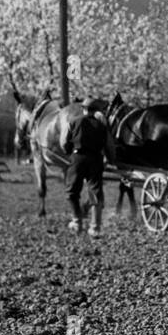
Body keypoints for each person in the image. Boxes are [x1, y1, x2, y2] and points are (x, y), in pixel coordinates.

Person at [65, 97, 108, 237]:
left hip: (78, 158)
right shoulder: (101, 126)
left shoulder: (74, 122)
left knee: (72, 191)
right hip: (96, 159)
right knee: (95, 191)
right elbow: (105, 144)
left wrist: (69, 152)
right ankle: (95, 227)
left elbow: (66, 143)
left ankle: (77, 222)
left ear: (83, 109)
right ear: (95, 111)